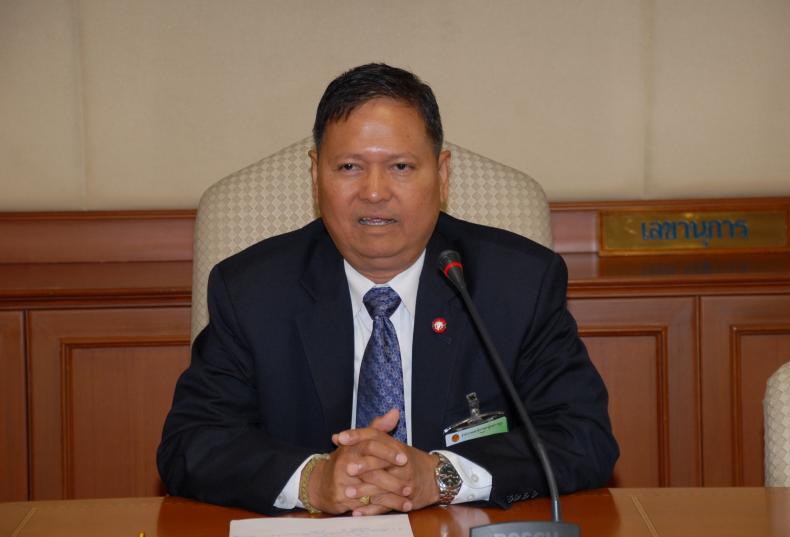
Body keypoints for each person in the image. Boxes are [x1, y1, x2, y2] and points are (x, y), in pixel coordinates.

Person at [157, 63, 618, 516]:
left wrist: (440, 476)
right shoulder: (252, 290)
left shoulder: (517, 283)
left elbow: (583, 436)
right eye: (349, 166)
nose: (374, 192)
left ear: (442, 174)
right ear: (316, 175)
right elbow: (191, 442)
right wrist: (313, 480)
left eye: (400, 166)